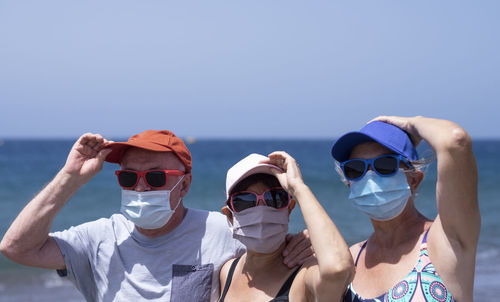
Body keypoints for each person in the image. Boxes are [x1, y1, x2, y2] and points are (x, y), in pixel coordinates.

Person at [0, 130, 312, 302]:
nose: (140, 186)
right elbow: (17, 248)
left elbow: (269, 245)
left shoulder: (222, 229)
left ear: (184, 185)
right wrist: (71, 177)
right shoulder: (99, 238)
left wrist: (305, 244)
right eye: (128, 178)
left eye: (156, 178)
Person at [330, 116, 480, 302]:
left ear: (414, 180)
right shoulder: (351, 259)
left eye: (385, 165)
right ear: (350, 185)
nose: (369, 177)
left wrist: (413, 124)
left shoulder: (446, 240)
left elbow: (455, 141)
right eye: (355, 169)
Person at [218, 152, 354, 302]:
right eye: (245, 201)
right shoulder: (227, 272)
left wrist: (298, 188)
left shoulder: (304, 277)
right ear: (230, 216)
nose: (261, 211)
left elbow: (338, 269)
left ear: (289, 209)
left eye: (275, 198)